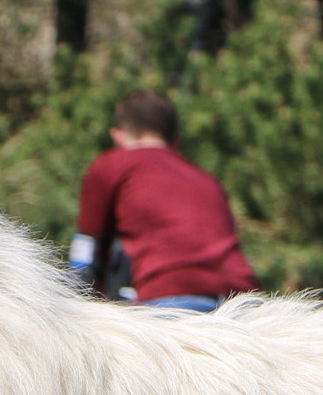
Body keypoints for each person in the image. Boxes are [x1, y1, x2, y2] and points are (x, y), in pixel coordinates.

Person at [72, 91, 258, 312]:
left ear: (117, 137)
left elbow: (86, 253)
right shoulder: (207, 180)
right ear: (176, 142)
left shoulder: (112, 164)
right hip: (245, 306)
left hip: (173, 302)